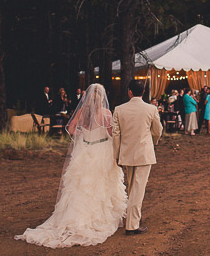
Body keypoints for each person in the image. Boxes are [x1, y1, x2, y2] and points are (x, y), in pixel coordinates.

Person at [15, 84, 127, 247]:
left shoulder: (82, 112)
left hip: (85, 149)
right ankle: (98, 217)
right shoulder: (105, 113)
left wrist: (84, 135)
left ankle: (75, 216)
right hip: (101, 150)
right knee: (100, 183)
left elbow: (72, 129)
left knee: (81, 185)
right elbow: (111, 133)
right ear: (102, 98)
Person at [112, 80, 163, 235]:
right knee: (138, 189)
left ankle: (133, 218)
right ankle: (132, 225)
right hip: (144, 153)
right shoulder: (151, 109)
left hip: (127, 153)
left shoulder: (119, 109)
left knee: (133, 186)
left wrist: (116, 155)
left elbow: (116, 135)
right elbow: (158, 130)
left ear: (130, 91)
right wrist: (153, 142)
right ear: (144, 91)